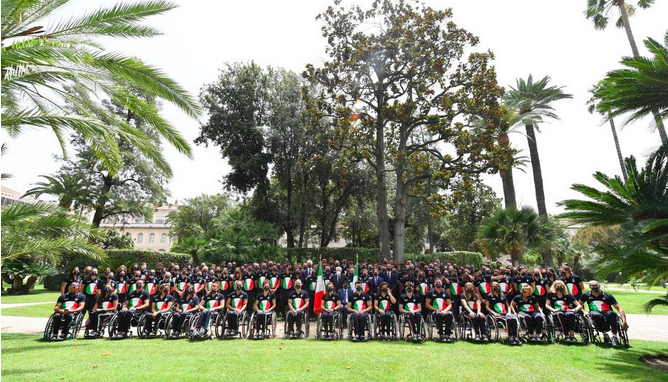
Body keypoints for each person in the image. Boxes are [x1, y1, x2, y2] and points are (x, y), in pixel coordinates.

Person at [580, 280, 628, 346]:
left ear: (599, 286)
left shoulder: (608, 296)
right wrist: (584, 311)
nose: (595, 287)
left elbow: (619, 307)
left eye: (596, 285)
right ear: (589, 286)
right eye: (592, 286)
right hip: (594, 312)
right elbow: (579, 305)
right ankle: (604, 334)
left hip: (607, 312)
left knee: (612, 314)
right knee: (596, 315)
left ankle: (614, 336)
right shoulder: (585, 295)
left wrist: (624, 321)